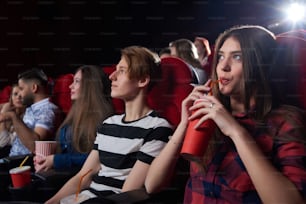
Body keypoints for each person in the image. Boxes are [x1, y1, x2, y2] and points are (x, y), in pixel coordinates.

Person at [145, 25, 306, 203]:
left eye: (237, 57)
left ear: (261, 64)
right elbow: (152, 184)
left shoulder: (286, 121)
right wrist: (184, 124)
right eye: (221, 56)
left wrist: (236, 132)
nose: (223, 66)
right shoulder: (207, 113)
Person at [45, 46, 173, 204]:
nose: (112, 76)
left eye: (122, 70)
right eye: (115, 70)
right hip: (85, 197)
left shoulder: (157, 127)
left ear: (142, 80)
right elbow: (83, 177)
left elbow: (128, 193)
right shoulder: (109, 123)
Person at [34, 65, 114, 172]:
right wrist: (46, 157)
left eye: (76, 81)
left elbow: (98, 159)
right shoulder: (74, 114)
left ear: (90, 85)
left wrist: (56, 160)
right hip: (62, 174)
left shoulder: (103, 119)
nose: (70, 86)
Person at [0, 68, 61, 156]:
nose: (20, 94)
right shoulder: (31, 108)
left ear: (34, 88)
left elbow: (35, 146)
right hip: (12, 158)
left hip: (24, 163)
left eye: (21, 89)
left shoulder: (47, 109)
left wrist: (13, 117)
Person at [0, 84, 25, 158]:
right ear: (11, 98)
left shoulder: (27, 117)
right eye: (15, 94)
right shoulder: (9, 113)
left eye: (21, 94)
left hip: (14, 155)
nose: (18, 97)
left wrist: (3, 112)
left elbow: (3, 143)